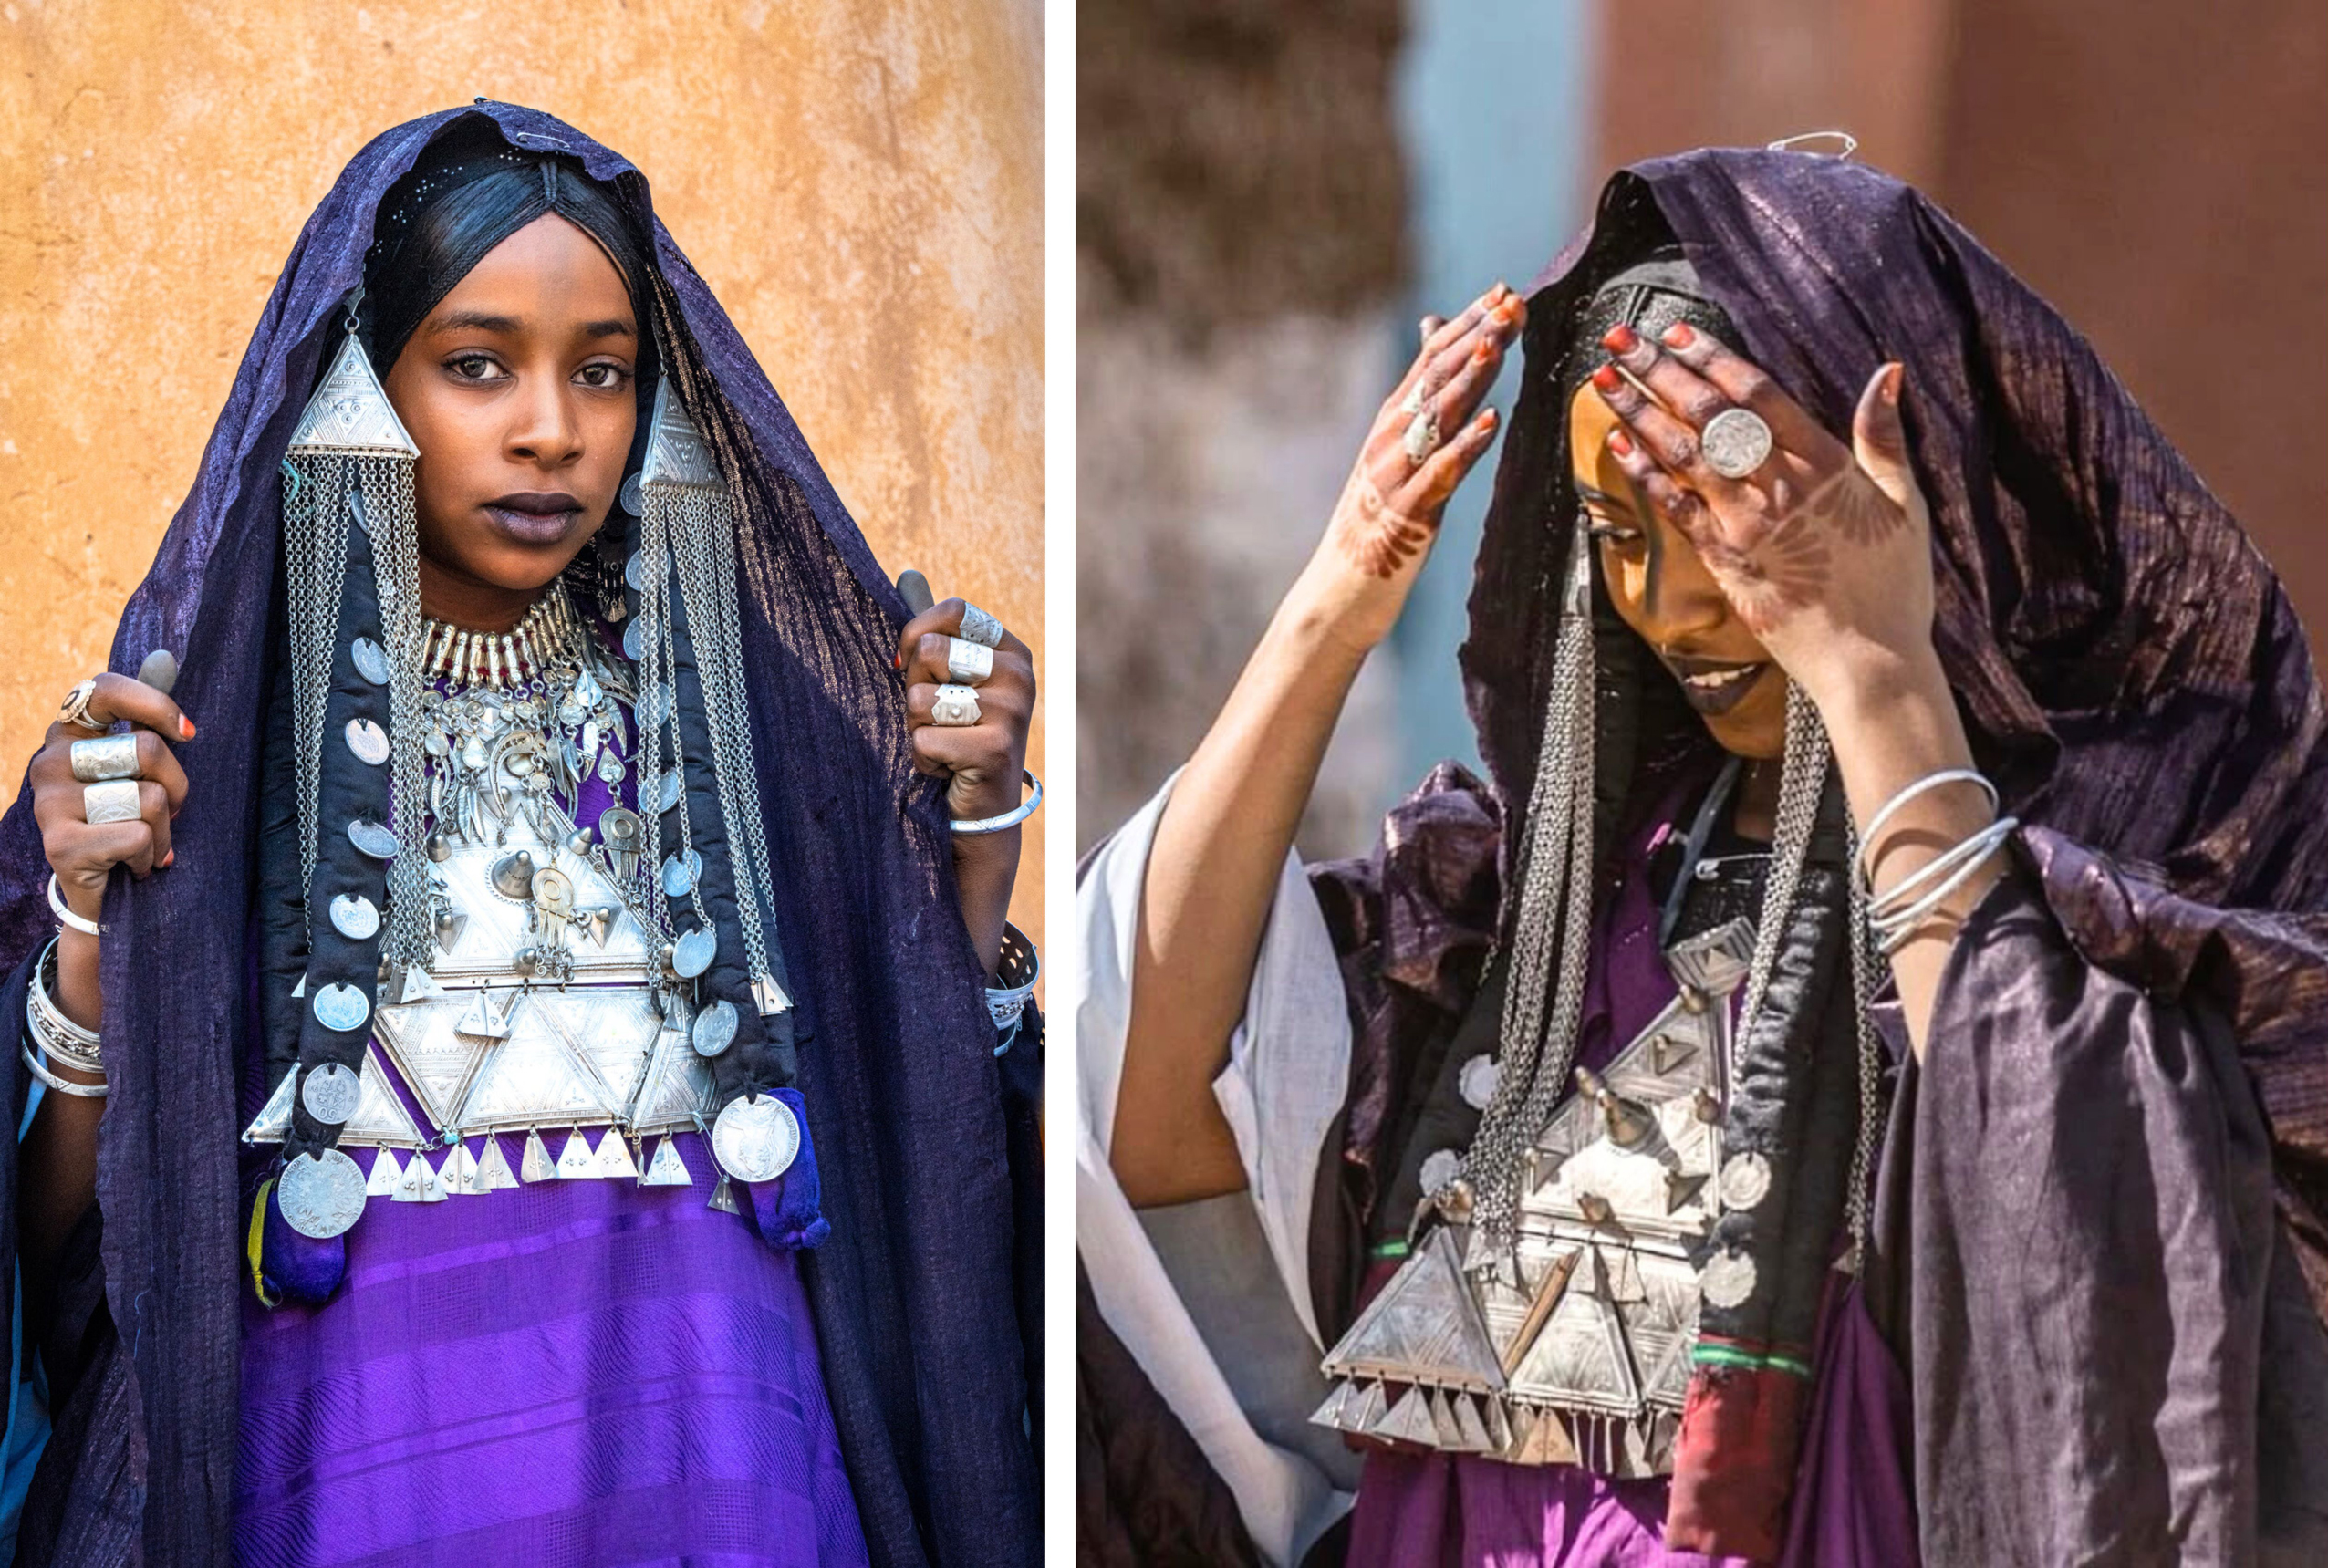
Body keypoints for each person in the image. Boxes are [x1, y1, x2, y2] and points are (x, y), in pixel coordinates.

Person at [1076, 148, 2328, 1567]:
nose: (1668, 607)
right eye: (1616, 534)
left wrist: (1875, 671)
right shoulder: (1518, 918)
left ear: (1928, 506)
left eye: (1724, 526)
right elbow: (1148, 1103)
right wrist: (1329, 611)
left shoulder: (2081, 910)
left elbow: (2060, 1246)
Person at [1, 105, 1041, 1567]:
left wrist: (976, 843)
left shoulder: (753, 737)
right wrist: (93, 922)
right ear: (367, 386)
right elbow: (69, 1242)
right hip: (357, 1485)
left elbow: (927, 1152)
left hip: (727, 1469)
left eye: (602, 374)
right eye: (477, 365)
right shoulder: (214, 748)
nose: (552, 428)